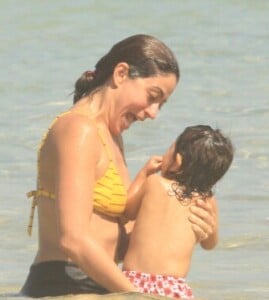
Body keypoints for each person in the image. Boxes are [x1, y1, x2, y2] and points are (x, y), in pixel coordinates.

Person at [20, 34, 216, 298]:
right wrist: (136, 296)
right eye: (152, 96)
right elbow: (73, 240)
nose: (153, 113)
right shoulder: (78, 129)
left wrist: (191, 225)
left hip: (102, 284)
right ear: (121, 73)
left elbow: (116, 240)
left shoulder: (111, 137)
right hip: (65, 286)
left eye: (161, 104)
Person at [122, 125, 234, 299]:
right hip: (174, 288)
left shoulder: (154, 183)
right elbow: (209, 244)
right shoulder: (207, 201)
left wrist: (143, 174)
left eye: (170, 149)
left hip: (135, 281)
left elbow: (127, 210)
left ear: (178, 160)